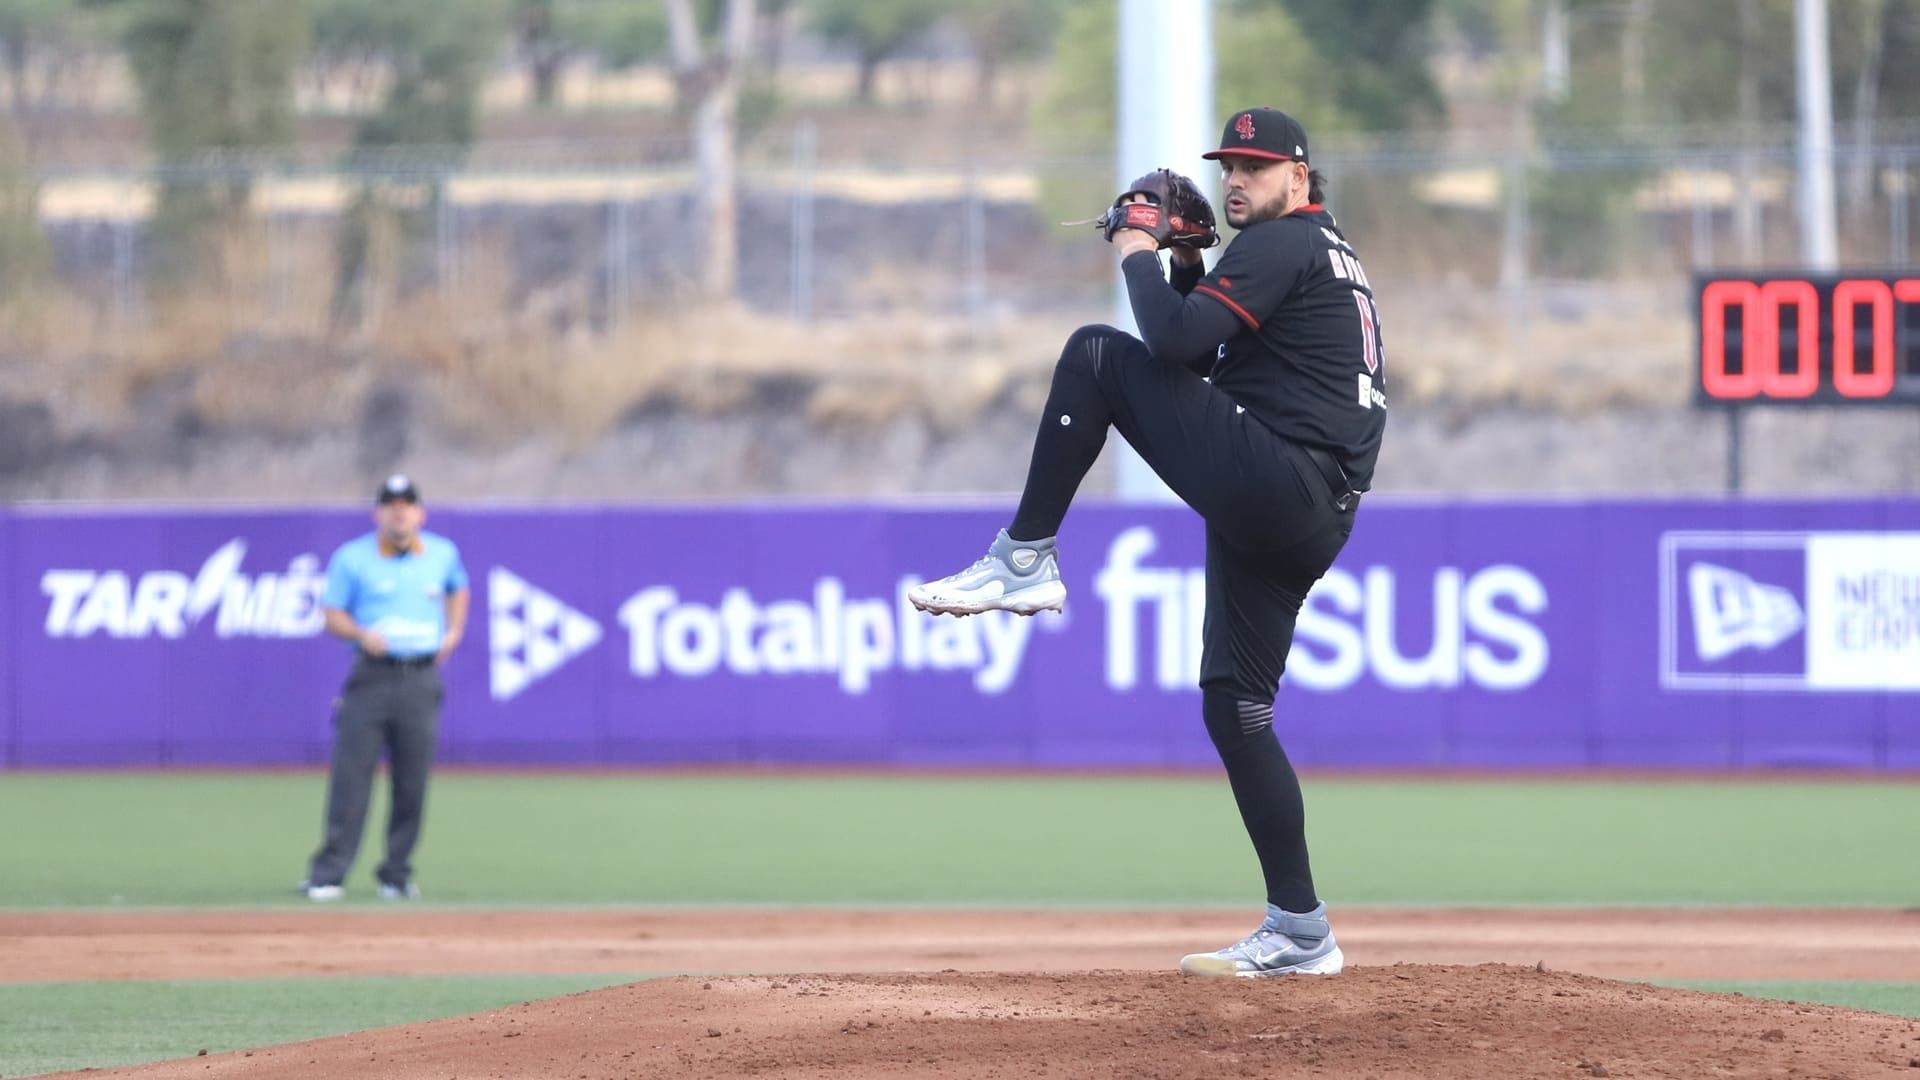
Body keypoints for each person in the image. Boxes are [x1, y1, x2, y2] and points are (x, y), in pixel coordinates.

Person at [909, 108, 1385, 977]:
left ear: (1299, 177)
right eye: (1229, 165)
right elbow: (1192, 366)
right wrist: (1189, 268)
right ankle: (1300, 929)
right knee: (1236, 707)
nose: (1235, 179)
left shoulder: (1282, 242)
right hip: (1305, 505)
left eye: (1255, 166)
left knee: (1096, 355)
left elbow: (1162, 341)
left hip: (1284, 479)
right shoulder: (1313, 249)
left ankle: (1024, 559)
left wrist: (1134, 247)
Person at [299, 474, 470, 902]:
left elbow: (459, 588)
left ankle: (396, 874)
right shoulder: (353, 557)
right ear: (378, 512)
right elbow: (332, 613)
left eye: (406, 504)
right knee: (351, 777)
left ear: (420, 513)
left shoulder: (441, 553)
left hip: (421, 676)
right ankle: (329, 873)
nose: (399, 512)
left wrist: (454, 631)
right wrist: (360, 634)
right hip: (372, 675)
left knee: (412, 781)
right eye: (391, 504)